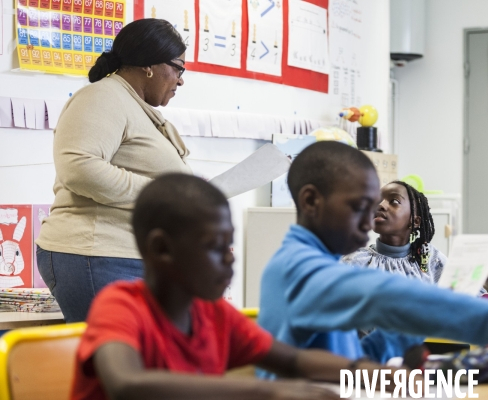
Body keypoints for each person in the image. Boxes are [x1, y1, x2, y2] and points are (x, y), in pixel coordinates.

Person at [71, 174, 398, 400]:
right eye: (215, 246)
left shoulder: (214, 315)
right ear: (162, 249)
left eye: (230, 245)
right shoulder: (121, 306)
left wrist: (372, 374)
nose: (230, 259)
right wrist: (269, 392)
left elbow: (293, 361)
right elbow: (128, 385)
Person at [258, 141, 488, 370]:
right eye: (360, 206)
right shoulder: (298, 268)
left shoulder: (316, 262)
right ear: (311, 201)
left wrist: (401, 335)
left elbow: (351, 357)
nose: (371, 216)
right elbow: (383, 295)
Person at [36, 19, 191, 322]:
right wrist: (163, 194)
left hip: (123, 257)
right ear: (149, 65)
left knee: (139, 361)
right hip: (95, 253)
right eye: (178, 68)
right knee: (117, 364)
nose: (181, 80)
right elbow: (80, 168)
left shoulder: (136, 107)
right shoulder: (102, 97)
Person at [343, 181, 445, 284]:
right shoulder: (355, 261)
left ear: (415, 221)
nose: (380, 205)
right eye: (378, 200)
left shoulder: (432, 260)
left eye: (394, 201)